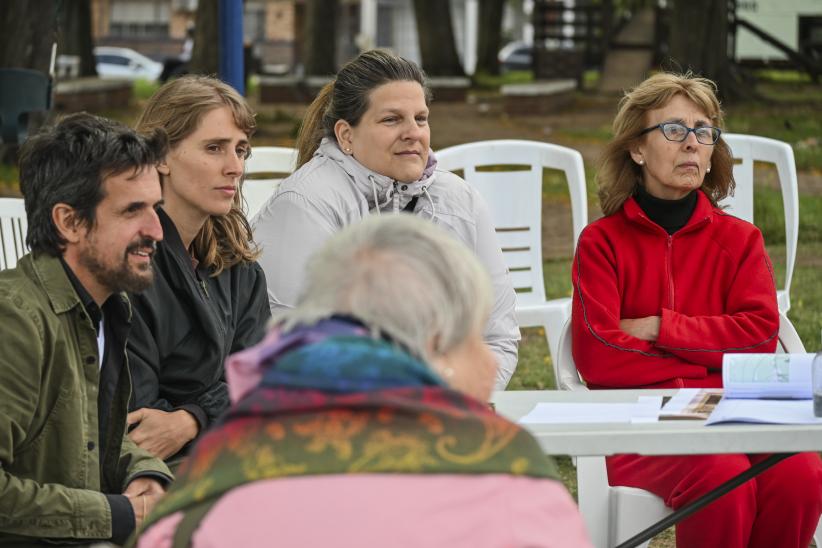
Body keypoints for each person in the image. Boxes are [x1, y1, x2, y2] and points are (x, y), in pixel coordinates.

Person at [133, 215, 591, 548]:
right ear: (433, 343)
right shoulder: (506, 481)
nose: (491, 366)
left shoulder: (203, 488)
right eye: (476, 336)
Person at [571, 72, 822, 547]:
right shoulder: (601, 242)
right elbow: (599, 354)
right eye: (674, 130)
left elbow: (759, 339)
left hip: (737, 412)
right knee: (723, 477)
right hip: (639, 423)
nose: (692, 143)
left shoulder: (740, 240)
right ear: (637, 149)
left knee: (801, 471)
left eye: (703, 132)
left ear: (712, 153)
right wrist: (707, 357)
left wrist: (659, 328)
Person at [251, 49, 520, 388]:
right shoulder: (305, 203)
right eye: (392, 119)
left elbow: (498, 336)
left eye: (420, 119)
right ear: (346, 135)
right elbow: (299, 347)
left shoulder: (460, 200)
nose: (413, 133)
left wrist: (454, 403)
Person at [0, 113, 173, 545]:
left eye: (156, 208)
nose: (156, 231)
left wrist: (144, 476)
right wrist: (118, 514)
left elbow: (91, 441)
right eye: (133, 210)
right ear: (70, 222)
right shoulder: (16, 322)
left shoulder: (107, 306)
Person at [126, 75, 271, 463]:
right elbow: (140, 424)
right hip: (160, 475)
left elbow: (263, 381)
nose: (235, 167)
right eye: (214, 148)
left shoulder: (238, 268)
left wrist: (193, 418)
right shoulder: (128, 267)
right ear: (160, 157)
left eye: (241, 150)